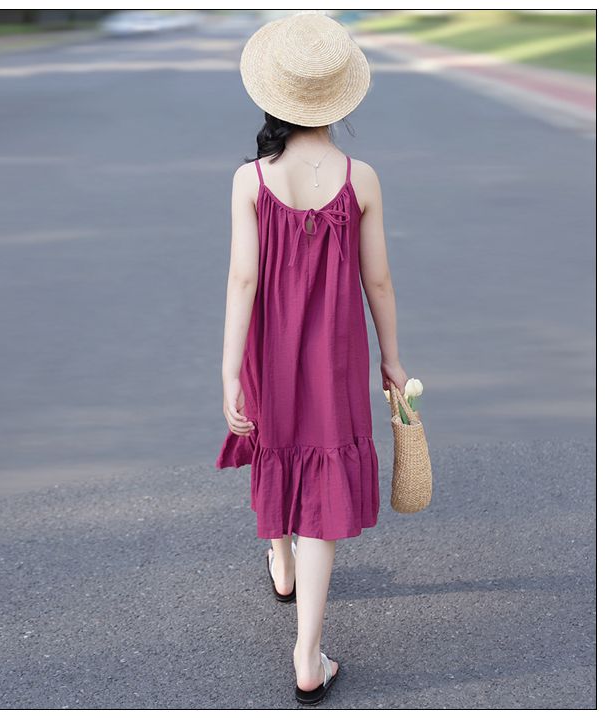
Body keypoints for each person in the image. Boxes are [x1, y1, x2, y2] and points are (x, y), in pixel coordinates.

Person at [215, 12, 408, 705]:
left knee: (275, 447)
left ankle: (280, 559)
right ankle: (307, 655)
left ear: (273, 95)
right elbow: (377, 280)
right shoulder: (363, 179)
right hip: (335, 355)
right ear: (339, 98)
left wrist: (229, 368)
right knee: (322, 481)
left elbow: (243, 279)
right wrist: (391, 358)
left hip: (268, 344)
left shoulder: (250, 180)